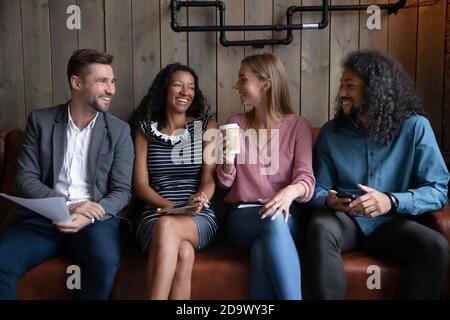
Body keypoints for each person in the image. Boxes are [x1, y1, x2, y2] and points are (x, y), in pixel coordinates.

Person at [307, 50, 450, 299]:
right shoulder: (331, 133)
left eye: (349, 86)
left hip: (393, 223)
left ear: (374, 90)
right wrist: (328, 199)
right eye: (342, 85)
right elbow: (317, 189)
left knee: (435, 246)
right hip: (346, 222)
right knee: (320, 227)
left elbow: (438, 190)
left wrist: (391, 200)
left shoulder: (415, 127)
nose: (341, 94)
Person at [0, 49, 134, 299]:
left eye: (112, 81)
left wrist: (91, 215)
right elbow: (25, 178)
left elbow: (122, 190)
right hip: (43, 218)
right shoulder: (41, 121)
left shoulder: (119, 131)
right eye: (102, 81)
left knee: (104, 263)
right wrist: (69, 206)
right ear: (77, 83)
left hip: (94, 222)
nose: (111, 89)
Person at [216, 53, 315, 300]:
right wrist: (227, 161)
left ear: (265, 84)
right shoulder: (235, 123)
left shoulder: (298, 125)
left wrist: (288, 192)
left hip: (286, 215)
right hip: (242, 217)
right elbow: (224, 182)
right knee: (270, 221)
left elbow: (306, 179)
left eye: (242, 79)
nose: (235, 86)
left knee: (262, 248)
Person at [130, 63, 218, 300]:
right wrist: (169, 207)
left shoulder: (207, 126)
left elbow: (210, 178)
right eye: (178, 85)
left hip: (197, 215)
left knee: (168, 228)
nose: (185, 92)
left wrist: (202, 197)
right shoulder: (144, 128)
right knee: (183, 253)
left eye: (190, 87)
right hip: (155, 212)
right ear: (164, 89)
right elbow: (140, 186)